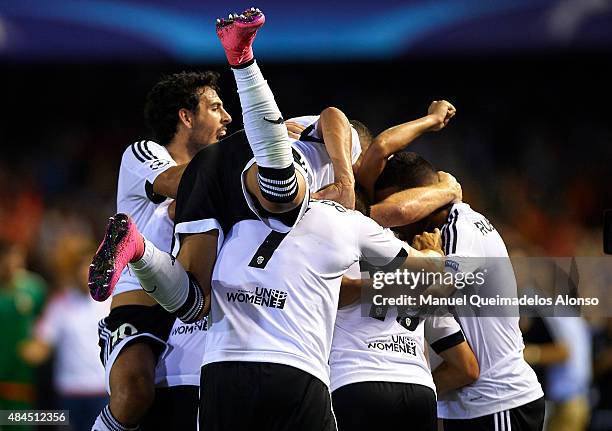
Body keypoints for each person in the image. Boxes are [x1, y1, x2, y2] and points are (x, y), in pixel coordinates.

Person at [90, 70, 231, 431]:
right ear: (186, 117)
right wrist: (248, 150)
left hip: (197, 308)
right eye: (215, 108)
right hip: (141, 306)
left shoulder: (217, 179)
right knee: (133, 395)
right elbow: (177, 185)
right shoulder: (143, 154)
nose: (227, 118)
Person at [375, 152, 545, 431]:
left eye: (396, 208)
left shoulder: (458, 229)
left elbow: (427, 300)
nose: (394, 222)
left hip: (497, 401)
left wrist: (424, 258)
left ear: (417, 199)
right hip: (471, 405)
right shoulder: (454, 225)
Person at [21, 247, 109, 431]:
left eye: (92, 267)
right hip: (68, 393)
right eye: (83, 267)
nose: (86, 273)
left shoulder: (111, 301)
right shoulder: (59, 304)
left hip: (102, 392)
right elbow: (42, 344)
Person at [0, 239, 47, 431]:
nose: (13, 262)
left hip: (21, 381)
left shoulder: (34, 288)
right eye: (7, 258)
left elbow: (46, 328)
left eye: (17, 256)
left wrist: (41, 345)